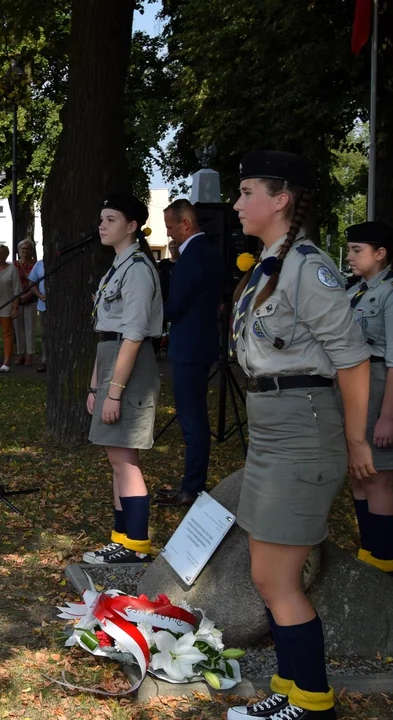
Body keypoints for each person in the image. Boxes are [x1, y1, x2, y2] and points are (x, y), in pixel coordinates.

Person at [225, 152, 372, 720]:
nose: (237, 204)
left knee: (276, 580)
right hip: (272, 424)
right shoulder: (269, 264)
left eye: (246, 192)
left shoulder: (306, 266)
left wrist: (357, 442)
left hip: (303, 426)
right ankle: (290, 691)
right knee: (270, 574)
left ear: (280, 199)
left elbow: (353, 360)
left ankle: (312, 704)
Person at [82, 193, 163, 566]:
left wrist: (114, 392)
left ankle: (137, 545)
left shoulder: (139, 270)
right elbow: (106, 337)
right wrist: (96, 387)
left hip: (130, 365)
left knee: (125, 461)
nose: (102, 225)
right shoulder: (117, 267)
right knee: (117, 460)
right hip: (112, 359)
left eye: (111, 219)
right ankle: (121, 539)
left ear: (131, 226)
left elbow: (132, 335)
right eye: (101, 218)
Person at [153, 199, 225, 508]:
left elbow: (177, 305)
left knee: (192, 420)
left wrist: (149, 311)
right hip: (199, 342)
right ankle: (190, 483)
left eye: (170, 226)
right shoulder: (208, 251)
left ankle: (192, 487)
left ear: (185, 224)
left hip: (190, 346)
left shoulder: (193, 254)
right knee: (192, 418)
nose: (168, 233)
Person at [345, 220, 393, 575]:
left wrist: (387, 416)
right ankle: (367, 550)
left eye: (356, 250)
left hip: (378, 388)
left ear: (380, 253)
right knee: (358, 473)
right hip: (352, 388)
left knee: (377, 476)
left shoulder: (390, 293)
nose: (349, 256)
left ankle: (384, 556)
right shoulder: (354, 291)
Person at [13, 239, 38, 366]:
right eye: (23, 248)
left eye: (28, 248)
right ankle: (20, 353)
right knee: (18, 328)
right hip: (17, 299)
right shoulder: (14, 265)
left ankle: (30, 354)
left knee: (30, 328)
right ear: (18, 250)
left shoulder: (36, 265)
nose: (25, 251)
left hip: (32, 298)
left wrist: (30, 293)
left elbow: (39, 281)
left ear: (32, 250)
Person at [27, 255, 48, 372]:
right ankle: (45, 361)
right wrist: (40, 295)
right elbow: (31, 283)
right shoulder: (40, 264)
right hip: (44, 306)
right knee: (45, 335)